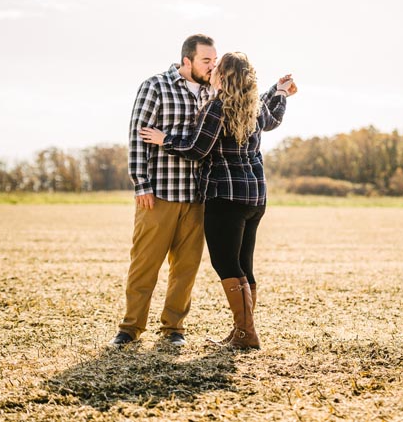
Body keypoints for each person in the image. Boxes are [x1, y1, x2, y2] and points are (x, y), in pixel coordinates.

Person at [111, 36, 288, 347]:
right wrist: (141, 183)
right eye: (207, 61)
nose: (213, 66)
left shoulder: (215, 94)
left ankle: (175, 329)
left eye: (216, 61)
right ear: (187, 60)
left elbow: (205, 141)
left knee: (188, 269)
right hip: (163, 192)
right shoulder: (156, 86)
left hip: (201, 195)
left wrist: (165, 139)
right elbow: (137, 137)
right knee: (145, 265)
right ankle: (130, 329)